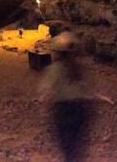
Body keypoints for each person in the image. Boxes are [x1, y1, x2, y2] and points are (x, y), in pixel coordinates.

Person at [41, 32, 92, 161]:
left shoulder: (55, 69)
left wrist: (47, 110)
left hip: (63, 111)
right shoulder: (80, 70)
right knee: (77, 145)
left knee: (67, 146)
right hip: (80, 109)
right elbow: (87, 91)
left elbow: (47, 93)